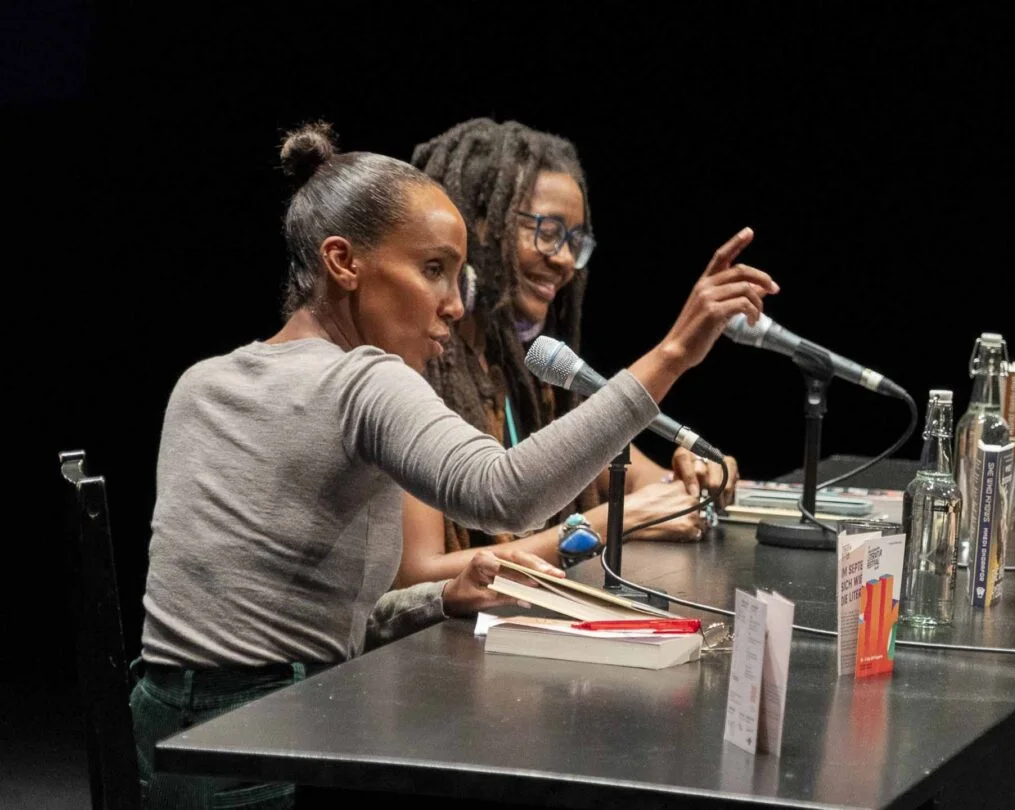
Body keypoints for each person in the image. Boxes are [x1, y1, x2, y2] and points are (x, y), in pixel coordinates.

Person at [129, 121, 777, 808]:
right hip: (269, 744)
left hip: (163, 735)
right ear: (343, 262)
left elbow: (267, 619)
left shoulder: (201, 380)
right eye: (432, 270)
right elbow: (504, 493)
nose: (454, 304)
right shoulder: (364, 380)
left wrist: (440, 596)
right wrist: (674, 353)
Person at [394, 118, 754, 586]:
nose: (564, 258)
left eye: (575, 241)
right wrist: (607, 524)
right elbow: (416, 575)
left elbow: (642, 481)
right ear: (478, 227)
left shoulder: (533, 376)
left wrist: (696, 472)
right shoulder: (415, 370)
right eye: (547, 230)